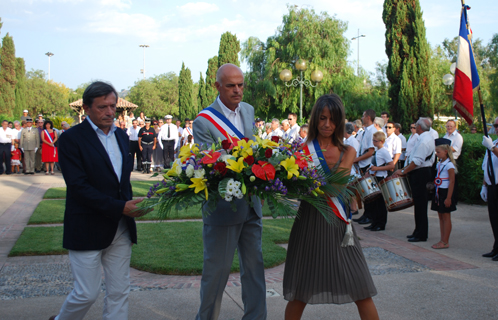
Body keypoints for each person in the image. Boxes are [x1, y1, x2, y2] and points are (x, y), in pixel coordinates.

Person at [49, 81, 150, 320]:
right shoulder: (71, 139)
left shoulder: (122, 136)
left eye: (113, 106)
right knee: (86, 293)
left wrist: (134, 203)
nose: (110, 112)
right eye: (103, 107)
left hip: (121, 227)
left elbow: (120, 182)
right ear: (86, 108)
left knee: (119, 291)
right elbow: (78, 186)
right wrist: (120, 207)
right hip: (86, 225)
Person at [283, 94, 378, 320]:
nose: (327, 124)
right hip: (308, 224)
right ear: (315, 119)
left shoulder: (349, 151)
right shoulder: (300, 150)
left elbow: (335, 189)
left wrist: (305, 179)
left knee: (361, 286)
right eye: (323, 118)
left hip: (339, 225)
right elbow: (292, 190)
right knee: (300, 291)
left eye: (333, 119)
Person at [192, 64, 266, 320]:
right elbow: (212, 164)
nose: (237, 90)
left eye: (241, 85)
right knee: (217, 272)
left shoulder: (248, 110)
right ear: (217, 86)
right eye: (231, 86)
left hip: (251, 203)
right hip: (223, 208)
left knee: (255, 269)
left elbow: (254, 149)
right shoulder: (203, 121)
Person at [393, 118, 435, 242]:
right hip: (420, 172)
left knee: (421, 204)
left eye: (416, 125)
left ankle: (421, 234)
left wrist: (403, 171)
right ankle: (418, 231)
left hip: (421, 173)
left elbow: (417, 161)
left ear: (419, 127)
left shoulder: (424, 140)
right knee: (418, 204)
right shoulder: (423, 138)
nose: (415, 127)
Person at [430, 139, 457, 249]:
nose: (437, 154)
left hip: (446, 192)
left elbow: (452, 181)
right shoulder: (440, 163)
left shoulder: (449, 165)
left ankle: (445, 241)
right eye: (436, 152)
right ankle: (442, 239)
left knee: (446, 216)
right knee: (440, 216)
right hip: (438, 191)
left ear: (446, 151)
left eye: (438, 152)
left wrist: (449, 197)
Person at [366, 131, 394, 231]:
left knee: (380, 203)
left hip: (381, 178)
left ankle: (381, 224)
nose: (373, 142)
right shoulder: (377, 151)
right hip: (374, 177)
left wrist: (377, 169)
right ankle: (374, 222)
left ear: (382, 141)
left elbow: (391, 165)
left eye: (375, 141)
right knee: (374, 202)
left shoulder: (384, 151)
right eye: (373, 140)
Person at [353, 109, 377, 225]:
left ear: (368, 117)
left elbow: (370, 151)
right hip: (362, 163)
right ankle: (366, 214)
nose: (362, 118)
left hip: (367, 163)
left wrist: (356, 159)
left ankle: (370, 215)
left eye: (363, 116)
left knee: (369, 191)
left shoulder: (372, 131)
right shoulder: (366, 131)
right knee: (364, 191)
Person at [480, 117, 498, 261]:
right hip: (491, 185)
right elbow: (486, 166)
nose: (496, 128)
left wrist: (492, 147)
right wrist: (484, 185)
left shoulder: (493, 145)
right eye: (495, 125)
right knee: (493, 218)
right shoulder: (495, 142)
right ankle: (496, 247)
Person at [345, 122, 360, 215]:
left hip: (351, 167)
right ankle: (350, 207)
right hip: (347, 166)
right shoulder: (346, 140)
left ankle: (354, 208)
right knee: (348, 188)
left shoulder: (352, 141)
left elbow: (354, 155)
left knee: (351, 189)